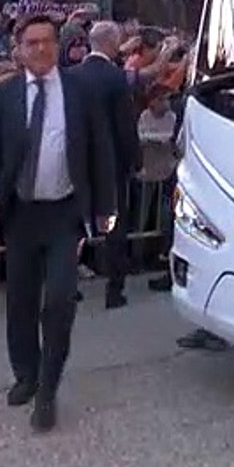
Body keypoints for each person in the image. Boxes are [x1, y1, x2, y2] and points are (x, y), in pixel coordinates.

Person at [0, 14, 117, 433]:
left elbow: (100, 149)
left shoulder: (80, 91)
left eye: (47, 41)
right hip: (20, 214)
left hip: (64, 214)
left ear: (57, 45)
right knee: (20, 302)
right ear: (18, 49)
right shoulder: (6, 96)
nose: (40, 49)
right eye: (31, 42)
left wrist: (105, 207)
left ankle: (48, 390)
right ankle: (26, 374)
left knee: (58, 301)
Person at [71, 21, 138, 310]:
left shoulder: (70, 76)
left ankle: (67, 285)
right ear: (111, 42)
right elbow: (125, 124)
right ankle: (115, 289)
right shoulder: (116, 78)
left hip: (75, 160)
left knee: (72, 224)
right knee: (114, 224)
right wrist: (133, 159)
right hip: (109, 163)